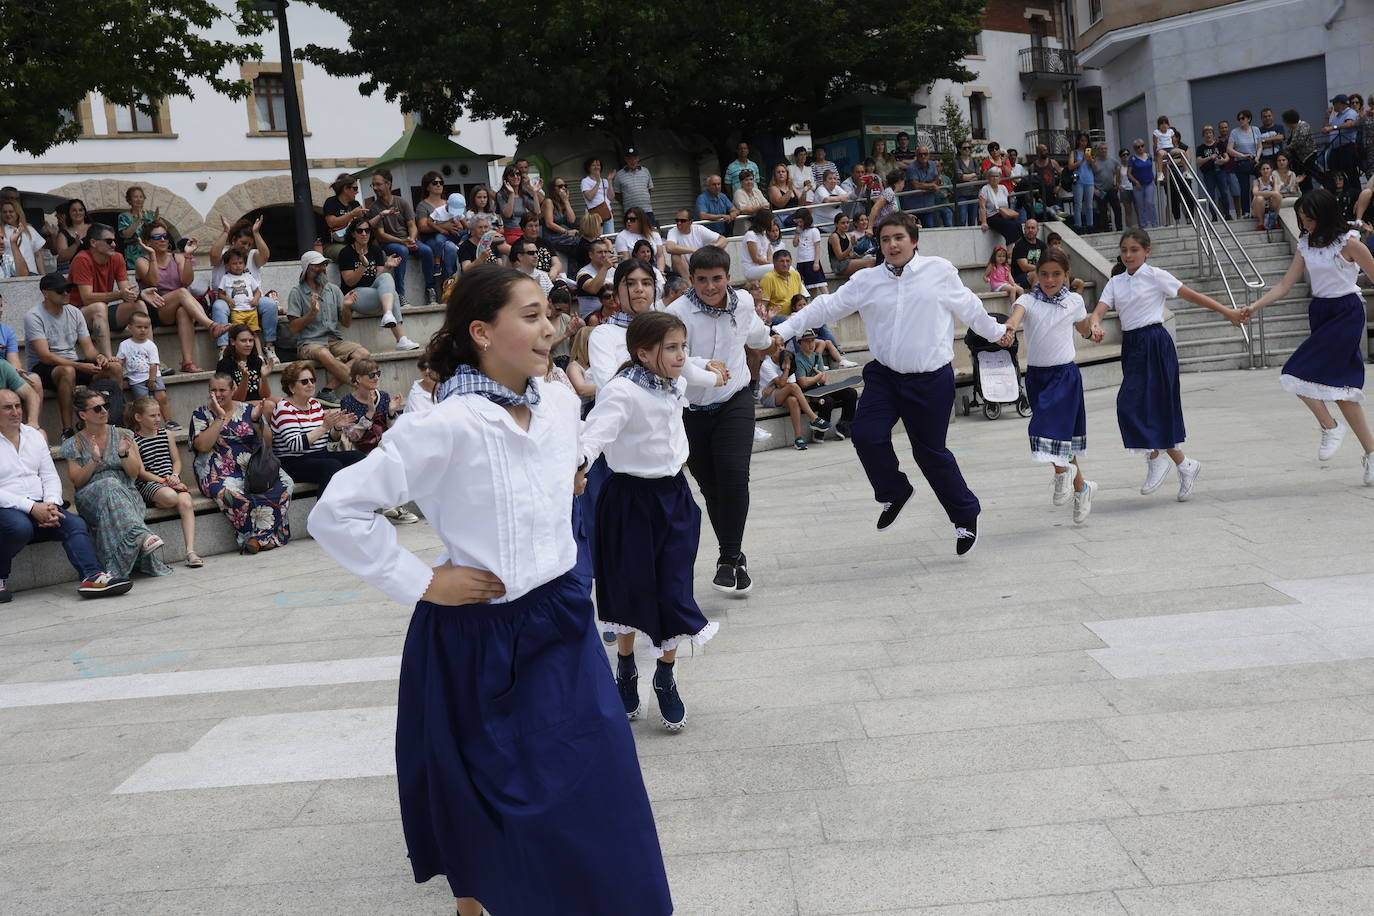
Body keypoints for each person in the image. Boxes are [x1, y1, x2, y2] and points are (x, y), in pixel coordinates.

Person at [306, 264, 673, 916]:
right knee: (490, 808)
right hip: (478, 636)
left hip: (561, 624)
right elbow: (335, 512)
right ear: (481, 332)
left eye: (548, 314)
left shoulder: (559, 401)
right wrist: (420, 580)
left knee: (602, 790)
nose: (549, 327)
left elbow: (568, 462)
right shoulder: (444, 424)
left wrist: (574, 477)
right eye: (529, 316)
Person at [773, 212, 1011, 555]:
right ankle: (895, 492)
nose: (892, 245)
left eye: (898, 237)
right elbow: (826, 306)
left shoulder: (939, 272)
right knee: (867, 435)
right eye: (885, 240)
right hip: (885, 376)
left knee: (930, 454)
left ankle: (964, 516)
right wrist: (783, 330)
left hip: (930, 379)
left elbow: (971, 308)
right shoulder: (868, 281)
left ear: (914, 240)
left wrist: (998, 332)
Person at [582, 309, 720, 729]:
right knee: (629, 586)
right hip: (629, 499)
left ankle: (665, 673)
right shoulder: (622, 391)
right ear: (643, 353)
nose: (681, 356)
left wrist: (717, 375)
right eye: (672, 348)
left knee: (674, 586)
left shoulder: (673, 379)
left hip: (674, 495)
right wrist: (577, 465)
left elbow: (694, 373)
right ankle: (625, 665)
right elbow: (594, 435)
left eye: (683, 346)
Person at [1086, 228, 1243, 501]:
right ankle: (1184, 464)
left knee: (1155, 406)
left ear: (1147, 250)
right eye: (1124, 250)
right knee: (1129, 405)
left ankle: (1156, 456)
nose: (1128, 255)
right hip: (1132, 345)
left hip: (1155, 343)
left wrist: (1227, 312)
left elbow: (1191, 295)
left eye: (1134, 249)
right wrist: (1096, 325)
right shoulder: (1116, 282)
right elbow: (1099, 311)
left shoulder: (1156, 275)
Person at [1242, 189, 1374, 485]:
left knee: (1296, 372)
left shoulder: (1349, 244)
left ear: (1324, 215)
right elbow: (1285, 285)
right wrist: (1255, 305)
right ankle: (1371, 452)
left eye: (1310, 217)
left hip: (1347, 313)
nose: (1306, 222)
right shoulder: (1305, 245)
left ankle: (1330, 427)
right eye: (1302, 217)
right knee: (1339, 391)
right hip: (1321, 312)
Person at [667, 246, 776, 594]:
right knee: (711, 487)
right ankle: (734, 554)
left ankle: (728, 558)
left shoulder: (743, 302)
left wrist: (773, 338)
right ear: (691, 280)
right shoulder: (676, 313)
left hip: (735, 400)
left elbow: (755, 334)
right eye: (702, 280)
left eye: (717, 279)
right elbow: (672, 357)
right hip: (691, 410)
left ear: (728, 278)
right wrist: (703, 366)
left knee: (732, 475)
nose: (710, 286)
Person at [0, 388, 134, 602]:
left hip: (42, 507)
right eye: (8, 407)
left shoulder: (33, 436)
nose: (16, 411)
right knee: (19, 527)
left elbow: (49, 476)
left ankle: (93, 576)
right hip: (7, 509)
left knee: (75, 525)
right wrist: (31, 508)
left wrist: (52, 504)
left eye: (18, 405)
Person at [1001, 250, 1102, 523]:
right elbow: (1015, 318)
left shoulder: (1074, 301)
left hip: (1064, 376)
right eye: (1044, 274)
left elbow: (1083, 327)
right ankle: (1082, 488)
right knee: (1058, 440)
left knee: (1044, 430)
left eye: (1056, 274)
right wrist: (1008, 328)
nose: (1049, 279)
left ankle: (1062, 474)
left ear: (1067, 275)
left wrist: (1093, 333)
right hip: (1037, 377)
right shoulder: (1027, 300)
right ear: (1035, 275)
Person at [60, 386, 172, 579]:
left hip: (126, 493)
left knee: (113, 485)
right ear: (83, 415)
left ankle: (129, 549)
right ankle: (142, 536)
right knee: (109, 483)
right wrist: (94, 460)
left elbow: (134, 473)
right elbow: (77, 480)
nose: (104, 411)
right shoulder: (73, 443)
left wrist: (123, 453)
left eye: (105, 406)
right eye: (97, 408)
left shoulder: (123, 434)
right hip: (90, 497)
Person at [190, 373, 292, 553]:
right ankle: (264, 538)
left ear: (233, 390)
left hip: (252, 467)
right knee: (231, 494)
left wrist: (257, 421)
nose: (218, 394)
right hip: (216, 470)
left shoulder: (248, 410)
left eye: (222, 390)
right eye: (213, 391)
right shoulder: (201, 414)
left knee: (285, 483)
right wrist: (220, 418)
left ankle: (256, 539)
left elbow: (267, 442)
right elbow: (203, 446)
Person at [25, 273, 125, 438]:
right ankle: (68, 430)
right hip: (44, 368)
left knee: (114, 368)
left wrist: (100, 358)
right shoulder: (33, 316)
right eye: (60, 290)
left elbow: (88, 350)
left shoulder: (74, 312)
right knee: (67, 371)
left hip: (72, 363)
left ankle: (113, 423)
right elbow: (45, 356)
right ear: (45, 293)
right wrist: (79, 366)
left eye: (68, 289)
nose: (66, 293)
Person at [339, 359, 419, 525]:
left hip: (383, 445)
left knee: (396, 453)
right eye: (371, 374)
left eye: (378, 373)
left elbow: (391, 430)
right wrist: (369, 414)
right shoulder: (347, 401)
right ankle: (392, 505)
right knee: (388, 455)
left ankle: (393, 505)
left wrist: (391, 412)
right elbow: (353, 436)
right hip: (361, 448)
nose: (376, 377)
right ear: (358, 378)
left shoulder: (383, 397)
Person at [127, 395, 202, 567]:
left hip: (171, 480)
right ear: (139, 417)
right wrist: (166, 481)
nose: (157, 419)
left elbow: (176, 461)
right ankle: (160, 501)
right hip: (150, 483)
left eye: (159, 415)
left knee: (186, 502)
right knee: (171, 497)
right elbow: (141, 472)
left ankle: (190, 551)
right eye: (152, 416)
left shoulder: (166, 434)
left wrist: (175, 476)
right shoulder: (134, 440)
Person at [287, 251, 370, 403]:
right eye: (317, 265)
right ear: (307, 269)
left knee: (363, 353)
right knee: (324, 354)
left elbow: (346, 323)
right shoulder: (297, 292)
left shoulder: (334, 290)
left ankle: (327, 390)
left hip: (334, 341)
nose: (322, 268)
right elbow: (293, 328)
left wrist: (346, 307)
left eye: (324, 265)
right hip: (309, 343)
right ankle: (366, 390)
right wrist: (312, 313)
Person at [270, 361, 367, 490]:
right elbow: (295, 445)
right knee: (331, 465)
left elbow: (328, 441)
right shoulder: (284, 408)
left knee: (358, 457)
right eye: (304, 381)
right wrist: (324, 427)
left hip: (319, 455)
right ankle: (326, 509)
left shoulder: (315, 404)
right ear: (291, 387)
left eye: (312, 380)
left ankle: (357, 504)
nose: (310, 384)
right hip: (292, 462)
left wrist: (337, 428)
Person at [337, 220, 421, 353]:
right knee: (392, 294)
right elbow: (349, 282)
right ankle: (401, 339)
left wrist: (387, 267)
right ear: (353, 234)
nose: (364, 234)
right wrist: (363, 266)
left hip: (372, 291)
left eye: (367, 230)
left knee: (387, 277)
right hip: (353, 295)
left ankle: (388, 314)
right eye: (360, 231)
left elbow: (379, 278)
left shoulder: (376, 250)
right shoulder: (346, 253)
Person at [66, 224, 149, 358]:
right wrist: (118, 294)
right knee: (99, 307)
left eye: (114, 240)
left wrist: (141, 294)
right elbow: (86, 298)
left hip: (101, 314)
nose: (114, 244)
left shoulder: (117, 258)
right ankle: (109, 360)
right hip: (77, 317)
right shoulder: (82, 259)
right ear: (93, 242)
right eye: (109, 241)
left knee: (139, 305)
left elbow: (126, 293)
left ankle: (150, 359)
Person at [208, 217, 279, 361]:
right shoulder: (225, 256)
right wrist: (226, 231)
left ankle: (269, 347)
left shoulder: (253, 255)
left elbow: (265, 255)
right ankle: (223, 349)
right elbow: (214, 256)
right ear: (233, 240)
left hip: (252, 300)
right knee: (218, 307)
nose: (246, 247)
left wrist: (256, 233)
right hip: (227, 302)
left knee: (270, 305)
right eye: (243, 243)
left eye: (250, 244)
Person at [367, 168, 438, 306]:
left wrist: (411, 238)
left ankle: (430, 289)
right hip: (389, 242)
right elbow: (381, 235)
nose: (375, 188)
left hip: (406, 240)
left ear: (388, 184)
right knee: (402, 251)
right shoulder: (375, 208)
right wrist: (402, 242)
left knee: (427, 251)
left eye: (378, 184)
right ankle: (400, 294)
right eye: (373, 185)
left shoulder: (402, 202)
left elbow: (412, 225)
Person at [758, 339, 827, 450]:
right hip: (767, 398)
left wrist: (774, 386)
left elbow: (788, 383)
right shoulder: (767, 364)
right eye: (777, 346)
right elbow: (784, 384)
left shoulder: (788, 359)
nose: (780, 348)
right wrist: (787, 367)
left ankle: (798, 438)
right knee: (793, 387)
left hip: (780, 393)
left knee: (793, 400)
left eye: (782, 345)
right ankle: (813, 418)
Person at [792, 327, 859, 436]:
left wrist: (816, 377)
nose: (811, 344)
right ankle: (818, 433)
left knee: (851, 393)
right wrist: (818, 376)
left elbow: (823, 379)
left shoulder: (817, 356)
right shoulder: (797, 359)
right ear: (799, 344)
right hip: (807, 391)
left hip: (820, 387)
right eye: (807, 341)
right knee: (827, 401)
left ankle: (844, 426)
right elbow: (803, 383)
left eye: (813, 341)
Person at [117, 312, 176, 428]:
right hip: (136, 379)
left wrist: (152, 379)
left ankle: (169, 421)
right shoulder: (125, 345)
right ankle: (145, 425)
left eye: (146, 327)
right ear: (130, 327)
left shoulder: (150, 345)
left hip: (153, 376)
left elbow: (154, 364)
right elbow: (120, 361)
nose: (143, 330)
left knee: (162, 397)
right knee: (142, 403)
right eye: (139, 327)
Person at [0, 291, 42, 426]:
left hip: (5, 371)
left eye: (1, 306)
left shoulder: (6, 331)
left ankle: (32, 425)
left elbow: (14, 362)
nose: (0, 310)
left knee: (34, 379)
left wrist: (16, 372)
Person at [415, 171, 463, 286]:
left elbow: (460, 222)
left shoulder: (449, 203)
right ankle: (447, 284)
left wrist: (457, 226)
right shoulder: (422, 205)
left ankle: (452, 284)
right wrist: (444, 226)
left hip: (451, 236)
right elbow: (422, 227)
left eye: (441, 182)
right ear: (427, 187)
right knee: (449, 248)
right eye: (435, 183)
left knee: (453, 247)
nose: (438, 185)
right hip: (431, 239)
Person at [215, 324, 275, 407]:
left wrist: (264, 378)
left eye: (251, 340)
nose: (248, 344)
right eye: (243, 341)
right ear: (232, 341)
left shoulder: (257, 361)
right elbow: (237, 399)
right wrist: (245, 376)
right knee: (269, 405)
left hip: (257, 403)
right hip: (235, 406)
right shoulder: (225, 364)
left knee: (281, 401)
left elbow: (265, 396)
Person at [664, 208, 726, 278]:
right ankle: (690, 285)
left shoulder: (699, 229)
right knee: (675, 256)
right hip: (683, 268)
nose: (679, 223)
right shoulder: (673, 231)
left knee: (723, 251)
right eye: (677, 220)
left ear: (691, 222)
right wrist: (695, 251)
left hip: (700, 264)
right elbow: (669, 248)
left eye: (682, 221)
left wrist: (713, 247)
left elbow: (723, 240)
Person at [540, 177, 583, 265]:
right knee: (577, 242)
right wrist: (567, 232)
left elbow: (572, 220)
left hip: (563, 237)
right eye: (560, 186)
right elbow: (549, 223)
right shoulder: (549, 202)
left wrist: (566, 201)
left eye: (565, 186)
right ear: (553, 189)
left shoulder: (563, 203)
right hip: (552, 237)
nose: (563, 188)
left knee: (583, 241)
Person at [1227, 110, 1262, 218]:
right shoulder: (1234, 132)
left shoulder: (1255, 130)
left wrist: (1257, 157)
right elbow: (1229, 149)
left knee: (1260, 183)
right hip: (1241, 162)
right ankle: (1246, 212)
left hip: (1254, 161)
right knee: (1244, 187)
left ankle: (1260, 207)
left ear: (1248, 119)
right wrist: (1241, 155)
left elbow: (1260, 146)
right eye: (1239, 119)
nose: (1240, 121)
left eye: (1243, 118)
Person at [612, 147, 655, 228]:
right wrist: (627, 202)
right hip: (630, 212)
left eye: (634, 158)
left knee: (651, 234)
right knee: (632, 235)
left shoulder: (646, 171)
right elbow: (617, 194)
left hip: (647, 210)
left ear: (638, 158)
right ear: (625, 159)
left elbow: (649, 190)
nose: (632, 161)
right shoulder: (619, 175)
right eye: (630, 159)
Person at [47, 198, 92, 275]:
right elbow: (60, 254)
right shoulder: (63, 233)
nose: (77, 213)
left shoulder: (94, 228)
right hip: (73, 270)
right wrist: (75, 244)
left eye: (80, 210)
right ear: (69, 214)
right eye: (74, 210)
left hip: (93, 268)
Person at [575, 239, 617, 319]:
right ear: (591, 255)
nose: (604, 255)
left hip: (613, 313)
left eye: (606, 252)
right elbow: (593, 289)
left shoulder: (613, 271)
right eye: (600, 252)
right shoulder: (583, 273)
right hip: (591, 316)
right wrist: (605, 268)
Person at [0, 199, 43, 277]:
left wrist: (43, 275)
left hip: (32, 273)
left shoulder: (29, 229)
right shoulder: (1, 231)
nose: (8, 214)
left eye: (11, 211)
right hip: (12, 275)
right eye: (4, 212)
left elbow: (38, 255)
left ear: (18, 213)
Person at [116, 186, 157, 265]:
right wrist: (138, 220)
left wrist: (157, 220)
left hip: (150, 250)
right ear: (129, 200)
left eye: (141, 197)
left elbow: (161, 231)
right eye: (135, 197)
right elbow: (126, 235)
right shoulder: (124, 216)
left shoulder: (150, 214)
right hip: (133, 253)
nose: (139, 199)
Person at [978, 168, 1022, 244]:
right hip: (991, 216)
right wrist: (984, 222)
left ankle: (1020, 246)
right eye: (992, 176)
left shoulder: (1003, 188)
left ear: (1000, 178)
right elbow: (982, 207)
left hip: (1003, 214)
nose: (994, 178)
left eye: (997, 176)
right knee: (1009, 226)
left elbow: (1007, 204)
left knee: (1018, 225)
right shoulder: (985, 189)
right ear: (988, 178)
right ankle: (1010, 250)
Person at [1195, 125, 1228, 218]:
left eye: (1210, 133)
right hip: (1208, 173)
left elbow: (1226, 157)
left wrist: (1223, 161)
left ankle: (1227, 214)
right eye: (1206, 133)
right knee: (1211, 194)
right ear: (1203, 135)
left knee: (1224, 192)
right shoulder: (1201, 148)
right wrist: (1209, 157)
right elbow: (1198, 161)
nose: (1208, 135)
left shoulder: (1220, 144)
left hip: (1220, 171)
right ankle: (1214, 216)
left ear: (1213, 134)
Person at [792, 207, 827, 295]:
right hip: (801, 261)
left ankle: (829, 301)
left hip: (811, 260)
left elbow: (817, 247)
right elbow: (795, 244)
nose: (800, 224)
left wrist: (816, 262)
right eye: (798, 222)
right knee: (810, 286)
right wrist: (797, 233)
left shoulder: (814, 231)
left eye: (801, 222)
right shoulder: (799, 231)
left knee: (820, 284)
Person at [760, 249, 807, 316]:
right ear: (774, 262)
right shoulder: (768, 278)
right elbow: (763, 304)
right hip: (777, 317)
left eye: (787, 261)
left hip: (796, 314)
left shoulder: (795, 275)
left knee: (818, 320)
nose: (785, 264)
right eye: (782, 261)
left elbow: (800, 299)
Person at [905, 146, 940, 226]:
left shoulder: (932, 164)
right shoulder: (911, 168)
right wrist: (931, 185)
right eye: (920, 154)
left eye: (925, 154)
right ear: (916, 156)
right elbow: (916, 185)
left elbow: (936, 179)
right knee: (914, 231)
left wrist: (930, 185)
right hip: (913, 206)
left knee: (929, 229)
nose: (923, 156)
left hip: (928, 205)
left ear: (929, 155)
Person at [581, 157, 617, 234]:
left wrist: (610, 181)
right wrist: (597, 182)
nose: (596, 167)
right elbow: (589, 197)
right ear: (588, 167)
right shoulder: (585, 181)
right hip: (593, 216)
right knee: (595, 239)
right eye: (593, 165)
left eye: (598, 165)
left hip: (607, 213)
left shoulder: (605, 181)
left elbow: (611, 197)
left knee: (609, 238)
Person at [1127, 140, 1157, 228]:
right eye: (1137, 147)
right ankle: (1144, 225)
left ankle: (1154, 223)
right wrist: (1136, 182)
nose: (1140, 148)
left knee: (1150, 203)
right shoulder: (1132, 159)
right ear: (1135, 149)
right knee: (1141, 205)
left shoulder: (1149, 156)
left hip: (1149, 183)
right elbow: (1129, 173)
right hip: (1138, 185)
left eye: (1142, 146)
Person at [1010, 219, 1047, 289]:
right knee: (1036, 274)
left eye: (1033, 228)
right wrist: (1043, 268)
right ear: (1024, 229)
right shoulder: (1020, 245)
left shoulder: (1042, 245)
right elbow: (1024, 267)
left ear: (1037, 230)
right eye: (1028, 228)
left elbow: (1047, 261)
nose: (1030, 230)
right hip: (1019, 278)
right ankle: (1035, 298)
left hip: (1039, 273)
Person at [403, 350, 439, 415]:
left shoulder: (445, 386)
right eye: (423, 368)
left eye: (430, 367)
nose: (427, 371)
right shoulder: (415, 395)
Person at [1250, 161, 1283, 230]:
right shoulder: (1257, 181)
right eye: (1263, 169)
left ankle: (1275, 220)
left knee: (1278, 196)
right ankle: (1261, 222)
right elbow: (1255, 192)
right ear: (1260, 171)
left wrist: (1263, 193)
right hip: (1258, 208)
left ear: (1271, 170)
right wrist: (1270, 193)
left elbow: (1276, 192)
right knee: (1259, 198)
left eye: (1267, 168)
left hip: (1270, 206)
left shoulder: (1274, 179)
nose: (1265, 171)